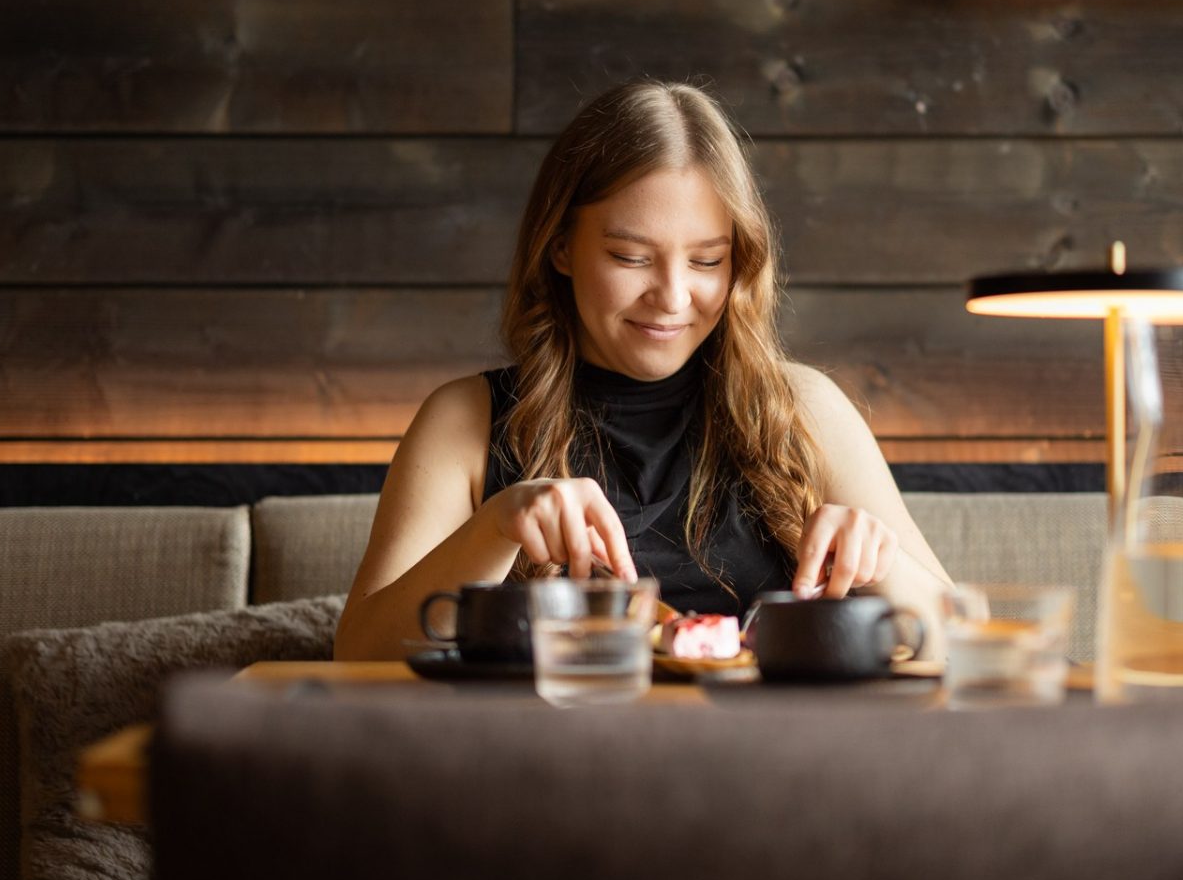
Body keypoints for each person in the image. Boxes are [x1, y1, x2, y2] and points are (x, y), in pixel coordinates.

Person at [333, 80, 952, 661]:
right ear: (559, 246)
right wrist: (498, 527)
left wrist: (881, 563)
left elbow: (957, 637)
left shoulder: (805, 408)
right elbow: (357, 652)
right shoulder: (464, 420)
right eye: (630, 257)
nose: (674, 296)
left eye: (708, 261)